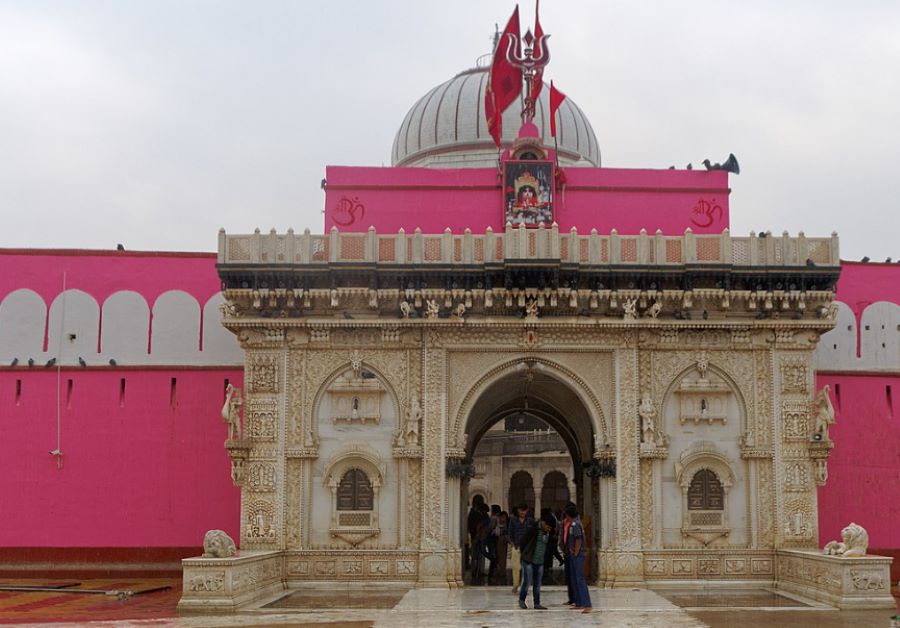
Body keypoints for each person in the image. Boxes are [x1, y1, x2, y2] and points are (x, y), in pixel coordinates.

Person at [518, 513, 555, 610]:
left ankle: (537, 603)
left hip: (540, 562)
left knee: (537, 584)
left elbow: (550, 547)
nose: (549, 529)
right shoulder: (533, 529)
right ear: (543, 523)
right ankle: (522, 600)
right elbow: (523, 542)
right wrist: (525, 554)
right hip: (528, 560)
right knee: (527, 581)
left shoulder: (548, 533)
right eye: (548, 526)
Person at [564, 504, 592, 613]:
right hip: (574, 555)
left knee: (580, 579)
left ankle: (587, 604)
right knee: (574, 579)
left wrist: (575, 552)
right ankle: (579, 602)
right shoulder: (574, 523)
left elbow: (578, 539)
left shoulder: (575, 524)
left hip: (578, 556)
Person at [507, 503, 534, 594]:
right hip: (516, 546)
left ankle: (525, 586)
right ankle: (515, 585)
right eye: (521, 510)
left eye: (524, 511)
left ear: (527, 511)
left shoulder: (530, 521)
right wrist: (512, 544)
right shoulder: (513, 520)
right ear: (518, 510)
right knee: (516, 567)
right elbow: (510, 533)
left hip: (527, 548)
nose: (522, 512)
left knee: (526, 568)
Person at [466, 495, 485, 576]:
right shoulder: (475, 513)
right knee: (476, 555)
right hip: (477, 536)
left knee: (478, 555)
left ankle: (478, 570)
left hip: (477, 536)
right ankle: (476, 571)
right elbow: (476, 525)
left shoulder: (473, 513)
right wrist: (476, 535)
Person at [494, 510, 509, 584]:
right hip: (499, 540)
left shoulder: (507, 525)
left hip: (504, 540)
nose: (503, 519)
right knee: (499, 556)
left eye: (504, 517)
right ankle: (499, 571)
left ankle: (502, 571)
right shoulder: (498, 525)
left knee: (503, 556)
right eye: (502, 517)